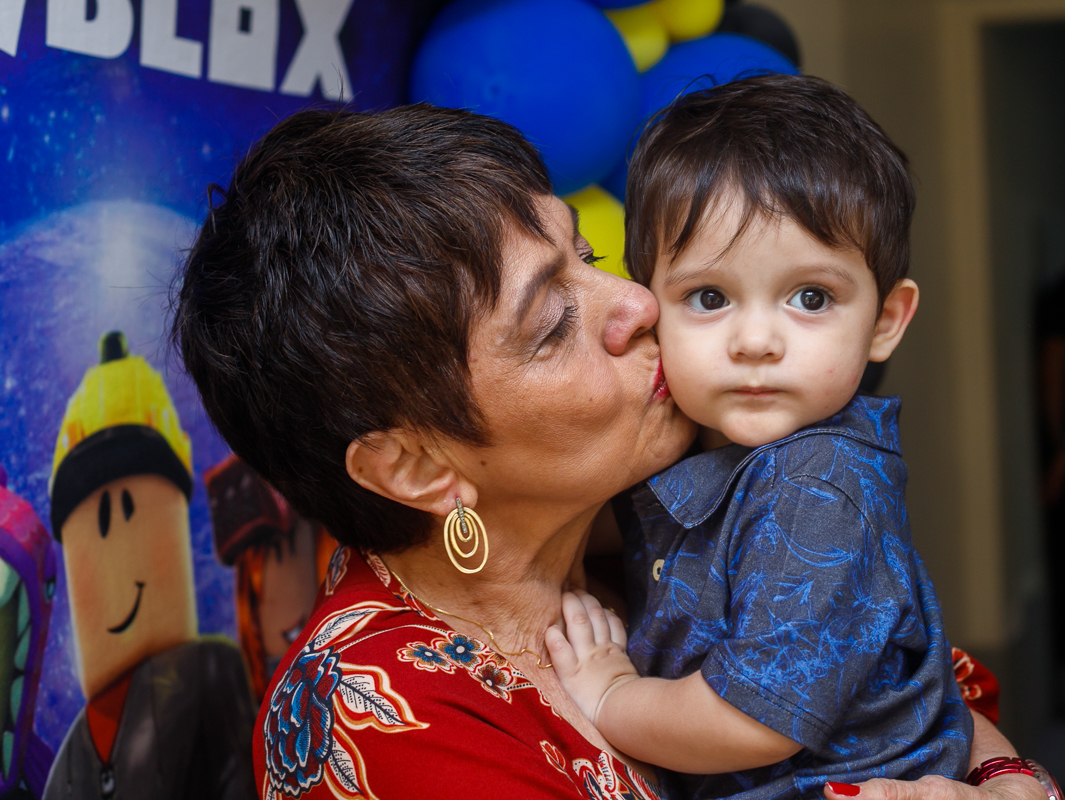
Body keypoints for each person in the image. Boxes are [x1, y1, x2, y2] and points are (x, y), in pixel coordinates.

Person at [171, 104, 1046, 800]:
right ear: (418, 467)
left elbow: (907, 679)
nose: (636, 303)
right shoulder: (380, 719)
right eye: (553, 322)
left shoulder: (659, 519)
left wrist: (1009, 780)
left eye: (586, 254)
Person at [548, 75, 968, 800]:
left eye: (811, 297)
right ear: (650, 307)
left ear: (884, 322)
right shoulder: (701, 452)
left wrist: (611, 694)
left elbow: (753, 720)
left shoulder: (818, 486)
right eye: (708, 297)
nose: (754, 341)